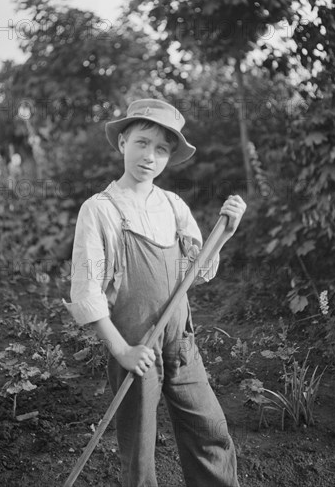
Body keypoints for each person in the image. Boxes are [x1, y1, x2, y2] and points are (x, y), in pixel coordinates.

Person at [65, 98, 246, 487]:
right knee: (140, 453)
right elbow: (86, 291)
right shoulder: (100, 210)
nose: (150, 156)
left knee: (210, 429)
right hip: (136, 348)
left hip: (180, 343)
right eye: (142, 143)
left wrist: (225, 234)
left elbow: (197, 272)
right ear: (122, 144)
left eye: (161, 149)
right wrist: (123, 351)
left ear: (169, 158)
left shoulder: (173, 206)